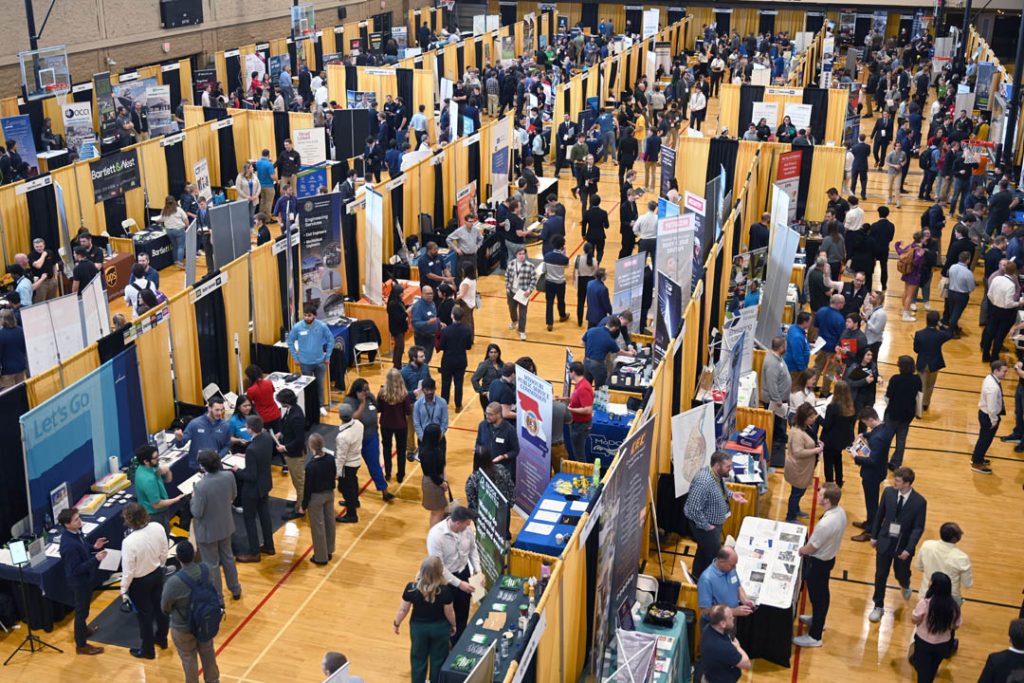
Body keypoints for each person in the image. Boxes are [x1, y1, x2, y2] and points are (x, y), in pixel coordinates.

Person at [867, 467, 928, 623]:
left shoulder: (919, 502)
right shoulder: (888, 492)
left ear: (907, 483)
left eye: (898, 480)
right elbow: (879, 514)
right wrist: (874, 536)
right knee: (880, 575)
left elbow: (918, 528)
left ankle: (905, 584)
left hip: (903, 546)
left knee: (901, 573)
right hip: (885, 541)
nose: (894, 481)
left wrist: (909, 548)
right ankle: (878, 606)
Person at [793, 483, 847, 648]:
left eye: (821, 494)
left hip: (818, 563)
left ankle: (815, 636)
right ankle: (818, 620)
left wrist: (800, 550)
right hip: (828, 559)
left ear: (827, 500)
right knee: (822, 595)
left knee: (818, 597)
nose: (818, 496)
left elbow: (812, 547)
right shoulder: (840, 512)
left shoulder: (825, 523)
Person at [161, 541, 222, 683]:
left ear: (177, 558)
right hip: (205, 621)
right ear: (194, 554)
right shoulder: (206, 570)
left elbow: (165, 607)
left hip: (183, 627)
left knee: (188, 657)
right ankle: (213, 680)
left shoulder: (173, 582)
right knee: (208, 651)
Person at [684, 451, 749, 579]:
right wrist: (707, 526)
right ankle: (709, 583)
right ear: (718, 466)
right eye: (728, 466)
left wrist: (731, 494)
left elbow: (718, 490)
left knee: (703, 552)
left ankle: (697, 577)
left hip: (712, 526)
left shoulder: (716, 474)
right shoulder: (703, 481)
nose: (730, 469)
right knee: (713, 558)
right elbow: (693, 509)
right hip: (706, 528)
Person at [393, 556, 456, 683]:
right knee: (438, 659)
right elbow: (449, 612)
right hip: (440, 628)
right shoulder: (445, 590)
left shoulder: (411, 588)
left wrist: (397, 623)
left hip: (418, 629)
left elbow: (403, 610)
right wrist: (453, 625)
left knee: (418, 659)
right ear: (440, 571)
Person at [119, 503, 170, 659]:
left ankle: (148, 650)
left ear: (129, 520)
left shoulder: (128, 542)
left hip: (139, 582)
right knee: (160, 609)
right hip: (157, 573)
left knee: (144, 616)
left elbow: (128, 570)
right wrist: (161, 565)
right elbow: (164, 550)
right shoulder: (158, 527)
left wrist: (123, 589)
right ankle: (162, 639)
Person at [191, 450, 241, 603]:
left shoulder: (200, 486)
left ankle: (218, 598)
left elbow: (197, 512)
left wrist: (193, 499)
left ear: (203, 466)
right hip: (225, 525)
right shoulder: (229, 476)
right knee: (228, 558)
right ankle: (235, 588)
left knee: (211, 565)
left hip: (208, 531)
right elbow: (233, 495)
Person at [58, 507, 108, 655]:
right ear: (67, 524)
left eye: (79, 518)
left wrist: (94, 547)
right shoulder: (68, 545)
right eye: (76, 520)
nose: (80, 521)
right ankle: (81, 645)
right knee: (81, 613)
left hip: (85, 579)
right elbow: (75, 570)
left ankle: (84, 630)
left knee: (85, 610)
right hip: (79, 582)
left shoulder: (75, 533)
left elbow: (83, 546)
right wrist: (96, 559)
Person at [425, 506, 479, 644]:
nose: (469, 526)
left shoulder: (467, 531)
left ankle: (458, 642)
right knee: (447, 613)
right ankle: (444, 642)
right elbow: (439, 567)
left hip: (464, 573)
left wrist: (477, 570)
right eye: (467, 523)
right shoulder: (435, 536)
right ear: (458, 523)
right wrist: (459, 584)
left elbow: (473, 550)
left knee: (463, 609)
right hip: (445, 581)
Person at [344, 378, 396, 501]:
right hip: (355, 440)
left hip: (371, 437)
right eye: (364, 390)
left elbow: (378, 408)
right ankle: (350, 494)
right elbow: (354, 418)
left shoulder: (370, 397)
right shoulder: (349, 402)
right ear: (357, 391)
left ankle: (384, 491)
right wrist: (362, 403)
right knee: (350, 468)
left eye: (368, 389)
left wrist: (381, 397)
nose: (367, 392)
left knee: (375, 465)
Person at [235, 415, 275, 562]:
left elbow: (250, 476)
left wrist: (237, 470)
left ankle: (254, 552)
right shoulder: (266, 438)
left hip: (252, 490)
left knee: (249, 520)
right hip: (265, 484)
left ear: (250, 429)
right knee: (265, 516)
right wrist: (245, 456)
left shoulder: (252, 449)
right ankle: (269, 546)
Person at [851, 407, 893, 541]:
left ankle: (870, 531)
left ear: (870, 419)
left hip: (872, 474)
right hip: (880, 470)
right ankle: (870, 522)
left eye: (866, 423)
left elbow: (872, 461)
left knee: (871, 503)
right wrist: (864, 435)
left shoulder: (877, 438)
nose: (867, 426)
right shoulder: (885, 427)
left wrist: (856, 458)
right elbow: (874, 433)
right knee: (872, 501)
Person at [910, 572, 961, 681]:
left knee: (922, 673)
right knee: (933, 669)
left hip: (923, 643)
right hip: (942, 645)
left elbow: (914, 619)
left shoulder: (925, 603)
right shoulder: (953, 607)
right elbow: (956, 625)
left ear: (933, 585)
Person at [286, 304, 336, 414]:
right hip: (305, 363)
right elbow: (290, 341)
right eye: (305, 315)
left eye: (309, 315)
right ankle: (308, 407)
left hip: (320, 362)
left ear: (314, 316)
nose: (306, 318)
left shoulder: (321, 326)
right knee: (307, 387)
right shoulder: (298, 327)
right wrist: (295, 357)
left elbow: (331, 340)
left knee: (320, 385)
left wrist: (327, 356)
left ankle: (320, 406)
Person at [915, 522, 973, 604]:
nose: (962, 533)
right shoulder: (962, 558)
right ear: (954, 539)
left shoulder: (926, 545)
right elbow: (967, 584)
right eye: (959, 532)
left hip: (925, 595)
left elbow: (919, 566)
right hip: (950, 601)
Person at [883, 355, 922, 470]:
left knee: (886, 438)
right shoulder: (917, 379)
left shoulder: (895, 379)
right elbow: (919, 395)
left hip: (893, 413)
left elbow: (888, 397)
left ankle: (882, 460)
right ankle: (896, 463)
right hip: (907, 415)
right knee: (901, 440)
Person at [303, 433, 337, 566]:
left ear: (311, 447)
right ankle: (329, 550)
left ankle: (321, 557)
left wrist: (304, 505)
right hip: (329, 494)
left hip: (316, 497)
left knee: (318, 526)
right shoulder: (330, 458)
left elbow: (307, 488)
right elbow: (334, 474)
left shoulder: (311, 466)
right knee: (330, 522)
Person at [134, 444, 184, 533]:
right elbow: (157, 505)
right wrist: (176, 499)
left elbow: (168, 480)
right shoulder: (148, 480)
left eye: (158, 455)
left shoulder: (149, 467)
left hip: (159, 512)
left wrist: (167, 470)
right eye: (155, 457)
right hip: (155, 515)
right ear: (146, 461)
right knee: (163, 537)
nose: (159, 459)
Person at [785, 403, 822, 522]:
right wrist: (815, 450)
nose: (813, 419)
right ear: (803, 418)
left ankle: (796, 510)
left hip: (804, 467)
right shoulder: (797, 433)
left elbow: (811, 439)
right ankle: (790, 517)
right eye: (811, 417)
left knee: (798, 492)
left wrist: (817, 443)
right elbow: (798, 452)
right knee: (797, 493)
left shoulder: (805, 427)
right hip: (798, 468)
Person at [981, 260, 1023, 363]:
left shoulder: (996, 279)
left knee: (990, 333)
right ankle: (994, 357)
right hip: (1006, 313)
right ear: (1014, 272)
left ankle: (985, 355)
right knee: (999, 336)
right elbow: (1009, 303)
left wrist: (996, 302)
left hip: (994, 309)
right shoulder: (1011, 285)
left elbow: (989, 294)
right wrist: (1019, 303)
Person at [697, 547, 754, 623]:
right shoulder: (706, 579)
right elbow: (705, 610)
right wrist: (733, 611)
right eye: (732, 565)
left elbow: (738, 587)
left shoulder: (730, 569)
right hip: (717, 625)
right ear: (721, 562)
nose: (735, 567)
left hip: (731, 620)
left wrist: (745, 600)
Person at [972, 359, 1007, 475]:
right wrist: (994, 420)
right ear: (996, 370)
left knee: (983, 438)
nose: (1005, 374)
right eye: (1004, 371)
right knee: (985, 440)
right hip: (988, 416)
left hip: (984, 413)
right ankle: (977, 463)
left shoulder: (989, 377)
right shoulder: (993, 388)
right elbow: (992, 408)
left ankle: (977, 457)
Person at [275, 387, 307, 517]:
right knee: (296, 480)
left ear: (286, 401)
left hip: (295, 454)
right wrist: (281, 433)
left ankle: (300, 507)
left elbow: (299, 440)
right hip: (291, 453)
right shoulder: (291, 410)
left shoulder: (296, 416)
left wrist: (285, 448)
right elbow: (287, 425)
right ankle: (299, 500)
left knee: (299, 482)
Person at [699, 605, 752, 681]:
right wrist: (738, 647)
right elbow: (747, 664)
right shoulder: (723, 647)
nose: (733, 618)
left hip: (710, 675)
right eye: (730, 617)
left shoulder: (708, 628)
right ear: (723, 624)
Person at [378, 368, 413, 482]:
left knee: (386, 448)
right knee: (401, 450)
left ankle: (388, 473)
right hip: (401, 426)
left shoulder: (382, 393)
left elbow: (379, 409)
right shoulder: (404, 394)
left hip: (386, 425)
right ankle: (400, 475)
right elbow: (408, 411)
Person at [762, 335, 792, 465]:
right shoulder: (772, 363)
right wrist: (777, 400)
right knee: (777, 431)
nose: (787, 347)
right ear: (781, 347)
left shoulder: (777, 358)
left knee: (780, 429)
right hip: (775, 403)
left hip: (779, 401)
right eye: (785, 345)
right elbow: (772, 384)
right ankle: (776, 460)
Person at [913, 311, 952, 411]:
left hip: (922, 363)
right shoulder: (940, 335)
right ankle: (925, 404)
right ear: (937, 322)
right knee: (930, 385)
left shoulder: (919, 334)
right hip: (934, 363)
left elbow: (916, 350)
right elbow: (950, 334)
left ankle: (918, 407)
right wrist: (941, 326)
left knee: (920, 386)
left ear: (926, 320)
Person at [820, 380, 856, 488]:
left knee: (828, 463)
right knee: (837, 459)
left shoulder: (832, 407)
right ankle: (839, 481)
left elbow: (827, 425)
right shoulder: (850, 407)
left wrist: (818, 417)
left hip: (830, 440)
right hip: (842, 440)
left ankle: (829, 485)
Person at [438, 306, 473, 411]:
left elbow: (441, 346)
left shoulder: (446, 330)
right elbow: (468, 346)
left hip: (447, 360)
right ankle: (458, 405)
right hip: (460, 360)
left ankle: (444, 405)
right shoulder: (467, 330)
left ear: (452, 316)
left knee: (445, 383)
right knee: (459, 383)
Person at [334, 403, 364, 523]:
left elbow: (341, 457)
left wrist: (337, 472)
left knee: (345, 488)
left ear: (340, 416)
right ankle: (354, 501)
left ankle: (352, 514)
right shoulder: (359, 424)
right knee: (353, 483)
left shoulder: (342, 436)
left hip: (347, 465)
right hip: (356, 460)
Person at [475, 401, 519, 480]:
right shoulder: (482, 425)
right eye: (486, 413)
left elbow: (515, 450)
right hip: (485, 468)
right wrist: (478, 450)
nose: (487, 416)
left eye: (490, 414)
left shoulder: (510, 430)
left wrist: (503, 456)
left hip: (502, 471)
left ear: (498, 414)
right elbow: (478, 442)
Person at [812, 294, 846, 396]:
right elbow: (841, 336)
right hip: (833, 348)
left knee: (817, 367)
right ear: (839, 304)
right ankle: (825, 392)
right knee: (830, 371)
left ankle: (811, 387)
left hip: (820, 345)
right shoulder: (840, 318)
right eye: (843, 302)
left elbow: (816, 327)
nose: (844, 304)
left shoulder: (820, 311)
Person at [465, 446, 515, 515]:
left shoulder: (473, 479)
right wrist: (508, 507)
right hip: (502, 514)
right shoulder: (502, 469)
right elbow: (511, 489)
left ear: (475, 460)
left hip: (483, 517)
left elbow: (472, 503)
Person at [419, 423, 449, 527]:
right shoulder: (429, 453)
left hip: (432, 481)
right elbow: (433, 474)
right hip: (433, 483)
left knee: (437, 511)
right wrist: (442, 483)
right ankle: (434, 534)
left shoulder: (428, 447)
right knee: (438, 512)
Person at [562, 361, 594, 459]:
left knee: (579, 454)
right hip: (576, 423)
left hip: (580, 425)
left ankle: (581, 468)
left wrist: (570, 409)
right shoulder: (579, 384)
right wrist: (564, 399)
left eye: (569, 372)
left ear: (574, 372)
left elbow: (588, 409)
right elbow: (576, 400)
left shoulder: (583, 388)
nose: (569, 374)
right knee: (577, 451)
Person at [504, 246, 536, 341]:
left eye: (523, 254)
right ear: (516, 255)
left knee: (523, 313)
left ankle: (522, 331)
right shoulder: (511, 264)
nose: (522, 256)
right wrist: (507, 287)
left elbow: (534, 279)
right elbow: (507, 276)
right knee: (512, 309)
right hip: (512, 292)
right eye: (520, 254)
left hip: (523, 293)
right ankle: (514, 321)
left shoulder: (530, 266)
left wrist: (529, 291)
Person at [942, 250, 975, 337]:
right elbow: (971, 287)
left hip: (951, 292)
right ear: (968, 260)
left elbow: (948, 275)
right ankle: (950, 332)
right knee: (956, 314)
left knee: (952, 311)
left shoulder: (952, 267)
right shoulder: (968, 273)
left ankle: (955, 328)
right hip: (961, 295)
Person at [894, 232, 925, 321]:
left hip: (907, 273)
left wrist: (897, 245)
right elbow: (916, 263)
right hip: (914, 275)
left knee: (906, 292)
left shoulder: (910, 246)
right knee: (910, 296)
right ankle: (905, 315)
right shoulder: (919, 250)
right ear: (921, 239)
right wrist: (920, 256)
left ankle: (904, 310)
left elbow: (900, 252)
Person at [543, 235, 570, 331]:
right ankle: (562, 315)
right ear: (562, 245)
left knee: (549, 302)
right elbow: (566, 267)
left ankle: (549, 323)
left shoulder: (547, 256)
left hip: (549, 282)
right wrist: (564, 254)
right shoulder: (564, 259)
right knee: (561, 300)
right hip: (560, 283)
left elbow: (543, 270)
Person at [243, 365, 282, 432]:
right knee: (278, 435)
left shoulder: (251, 390)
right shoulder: (269, 382)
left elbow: (249, 402)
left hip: (263, 417)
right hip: (275, 413)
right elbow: (272, 392)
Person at [471, 344, 504, 413]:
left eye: (495, 352)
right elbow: (474, 379)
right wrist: (482, 391)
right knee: (489, 415)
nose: (493, 354)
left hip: (499, 395)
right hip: (487, 396)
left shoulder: (502, 364)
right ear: (488, 353)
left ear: (498, 353)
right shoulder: (484, 365)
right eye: (491, 352)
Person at [411, 286, 440, 363]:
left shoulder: (432, 303)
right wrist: (427, 323)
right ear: (422, 294)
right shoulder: (418, 306)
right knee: (422, 359)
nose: (430, 295)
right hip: (422, 338)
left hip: (431, 336)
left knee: (427, 359)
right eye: (428, 294)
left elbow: (433, 317)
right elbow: (415, 323)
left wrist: (439, 323)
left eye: (431, 293)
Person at [573, 243, 600, 327]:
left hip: (581, 281)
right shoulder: (594, 261)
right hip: (591, 281)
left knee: (580, 302)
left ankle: (579, 321)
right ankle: (590, 320)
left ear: (583, 249)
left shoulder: (577, 259)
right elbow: (596, 273)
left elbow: (575, 270)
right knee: (591, 303)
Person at [0, 310, 28, 388]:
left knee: (10, 393)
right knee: (21, 390)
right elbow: (24, 348)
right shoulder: (20, 330)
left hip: (7, 371)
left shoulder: (1, 334)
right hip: (21, 366)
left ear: (3, 320)